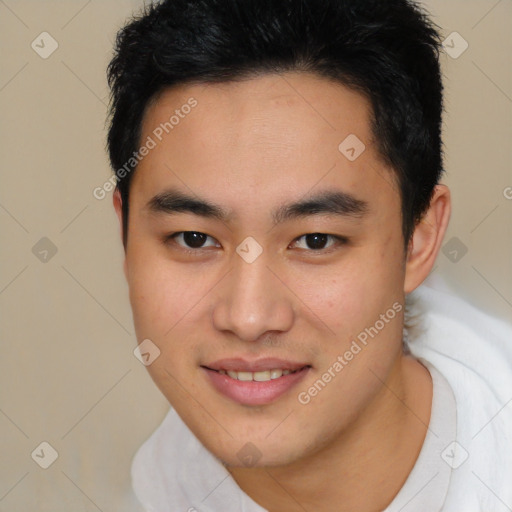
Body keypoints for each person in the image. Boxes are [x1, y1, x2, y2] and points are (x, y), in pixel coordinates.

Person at [105, 0, 512, 510]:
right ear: (124, 232)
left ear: (420, 239)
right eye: (193, 239)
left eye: (315, 241)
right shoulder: (162, 480)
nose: (249, 318)